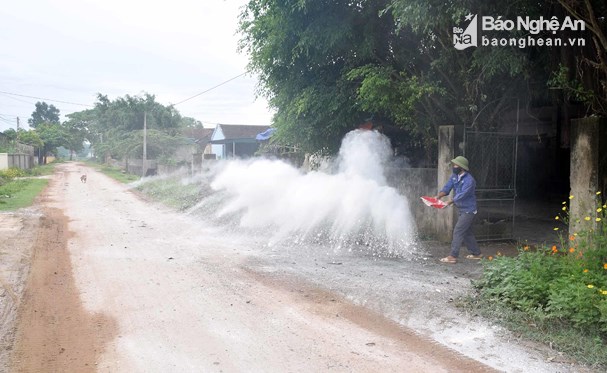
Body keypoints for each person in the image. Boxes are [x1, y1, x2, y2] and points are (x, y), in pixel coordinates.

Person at [435, 156, 482, 264]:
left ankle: (453, 256)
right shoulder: (455, 176)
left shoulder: (469, 181)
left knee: (458, 231)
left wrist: (449, 202)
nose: (454, 166)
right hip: (462, 209)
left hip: (469, 210)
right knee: (467, 232)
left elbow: (462, 195)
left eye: (456, 165)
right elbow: (447, 188)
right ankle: (477, 253)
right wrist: (438, 196)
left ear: (461, 167)